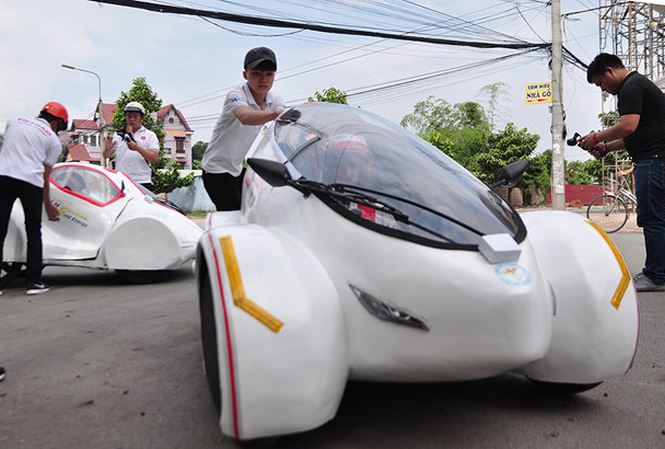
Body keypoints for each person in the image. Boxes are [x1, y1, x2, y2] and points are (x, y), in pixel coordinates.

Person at [580, 53, 665, 292]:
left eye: (600, 84)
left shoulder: (630, 87)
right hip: (656, 158)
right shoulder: (639, 85)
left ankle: (656, 275)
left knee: (652, 218)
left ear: (608, 71)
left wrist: (595, 136)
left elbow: (627, 126)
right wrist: (605, 148)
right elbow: (634, 135)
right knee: (659, 217)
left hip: (653, 161)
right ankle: (659, 271)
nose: (604, 89)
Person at [201, 47, 284, 211]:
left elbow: (285, 125)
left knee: (256, 211)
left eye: (269, 74)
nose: (263, 79)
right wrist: (274, 114)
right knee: (233, 215)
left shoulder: (275, 100)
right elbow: (245, 117)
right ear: (245, 74)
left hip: (237, 169)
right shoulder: (235, 95)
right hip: (216, 170)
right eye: (256, 74)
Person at [0, 102, 64, 295]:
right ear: (57, 123)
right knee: (33, 231)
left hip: (4, 177)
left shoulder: (14, 121)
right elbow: (46, 175)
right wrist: (48, 204)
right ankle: (34, 282)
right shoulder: (53, 140)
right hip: (31, 182)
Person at [104, 101, 159, 191]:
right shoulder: (118, 135)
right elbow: (107, 155)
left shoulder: (150, 135)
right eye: (129, 116)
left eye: (135, 116)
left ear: (142, 118)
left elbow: (154, 158)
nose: (132, 119)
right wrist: (108, 148)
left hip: (142, 180)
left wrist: (137, 148)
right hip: (121, 180)